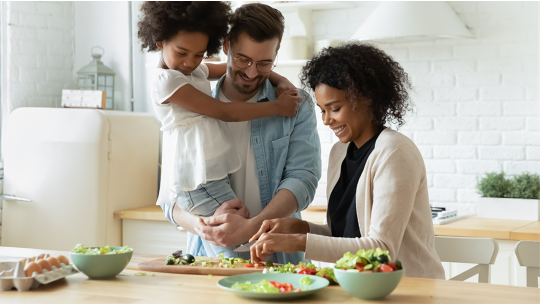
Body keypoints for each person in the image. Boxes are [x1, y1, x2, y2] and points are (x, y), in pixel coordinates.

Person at [248, 43, 446, 279]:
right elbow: (345, 235)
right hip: (359, 288)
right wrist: (299, 227)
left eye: (335, 109)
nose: (326, 120)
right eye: (322, 110)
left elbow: (381, 249)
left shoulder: (394, 152)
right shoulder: (340, 153)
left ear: (367, 98)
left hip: (409, 291)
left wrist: (299, 242)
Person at [160, 3, 322, 264]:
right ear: (226, 47)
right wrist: (201, 225)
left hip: (279, 258)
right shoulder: (186, 106)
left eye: (264, 63)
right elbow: (171, 195)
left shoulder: (295, 105)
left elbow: (303, 179)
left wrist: (253, 226)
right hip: (206, 259)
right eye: (243, 59)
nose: (251, 72)